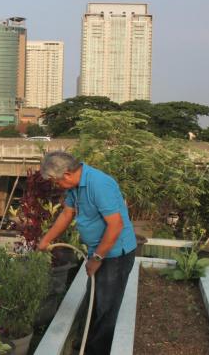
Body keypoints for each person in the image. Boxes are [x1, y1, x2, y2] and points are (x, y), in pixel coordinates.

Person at [38, 151, 136, 355]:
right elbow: (67, 214)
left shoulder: (99, 184)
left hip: (115, 255)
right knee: (96, 301)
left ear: (66, 174)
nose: (56, 186)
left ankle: (96, 351)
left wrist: (97, 258)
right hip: (98, 252)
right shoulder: (76, 187)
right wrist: (46, 239)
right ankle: (86, 344)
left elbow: (115, 226)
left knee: (106, 309)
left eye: (56, 182)